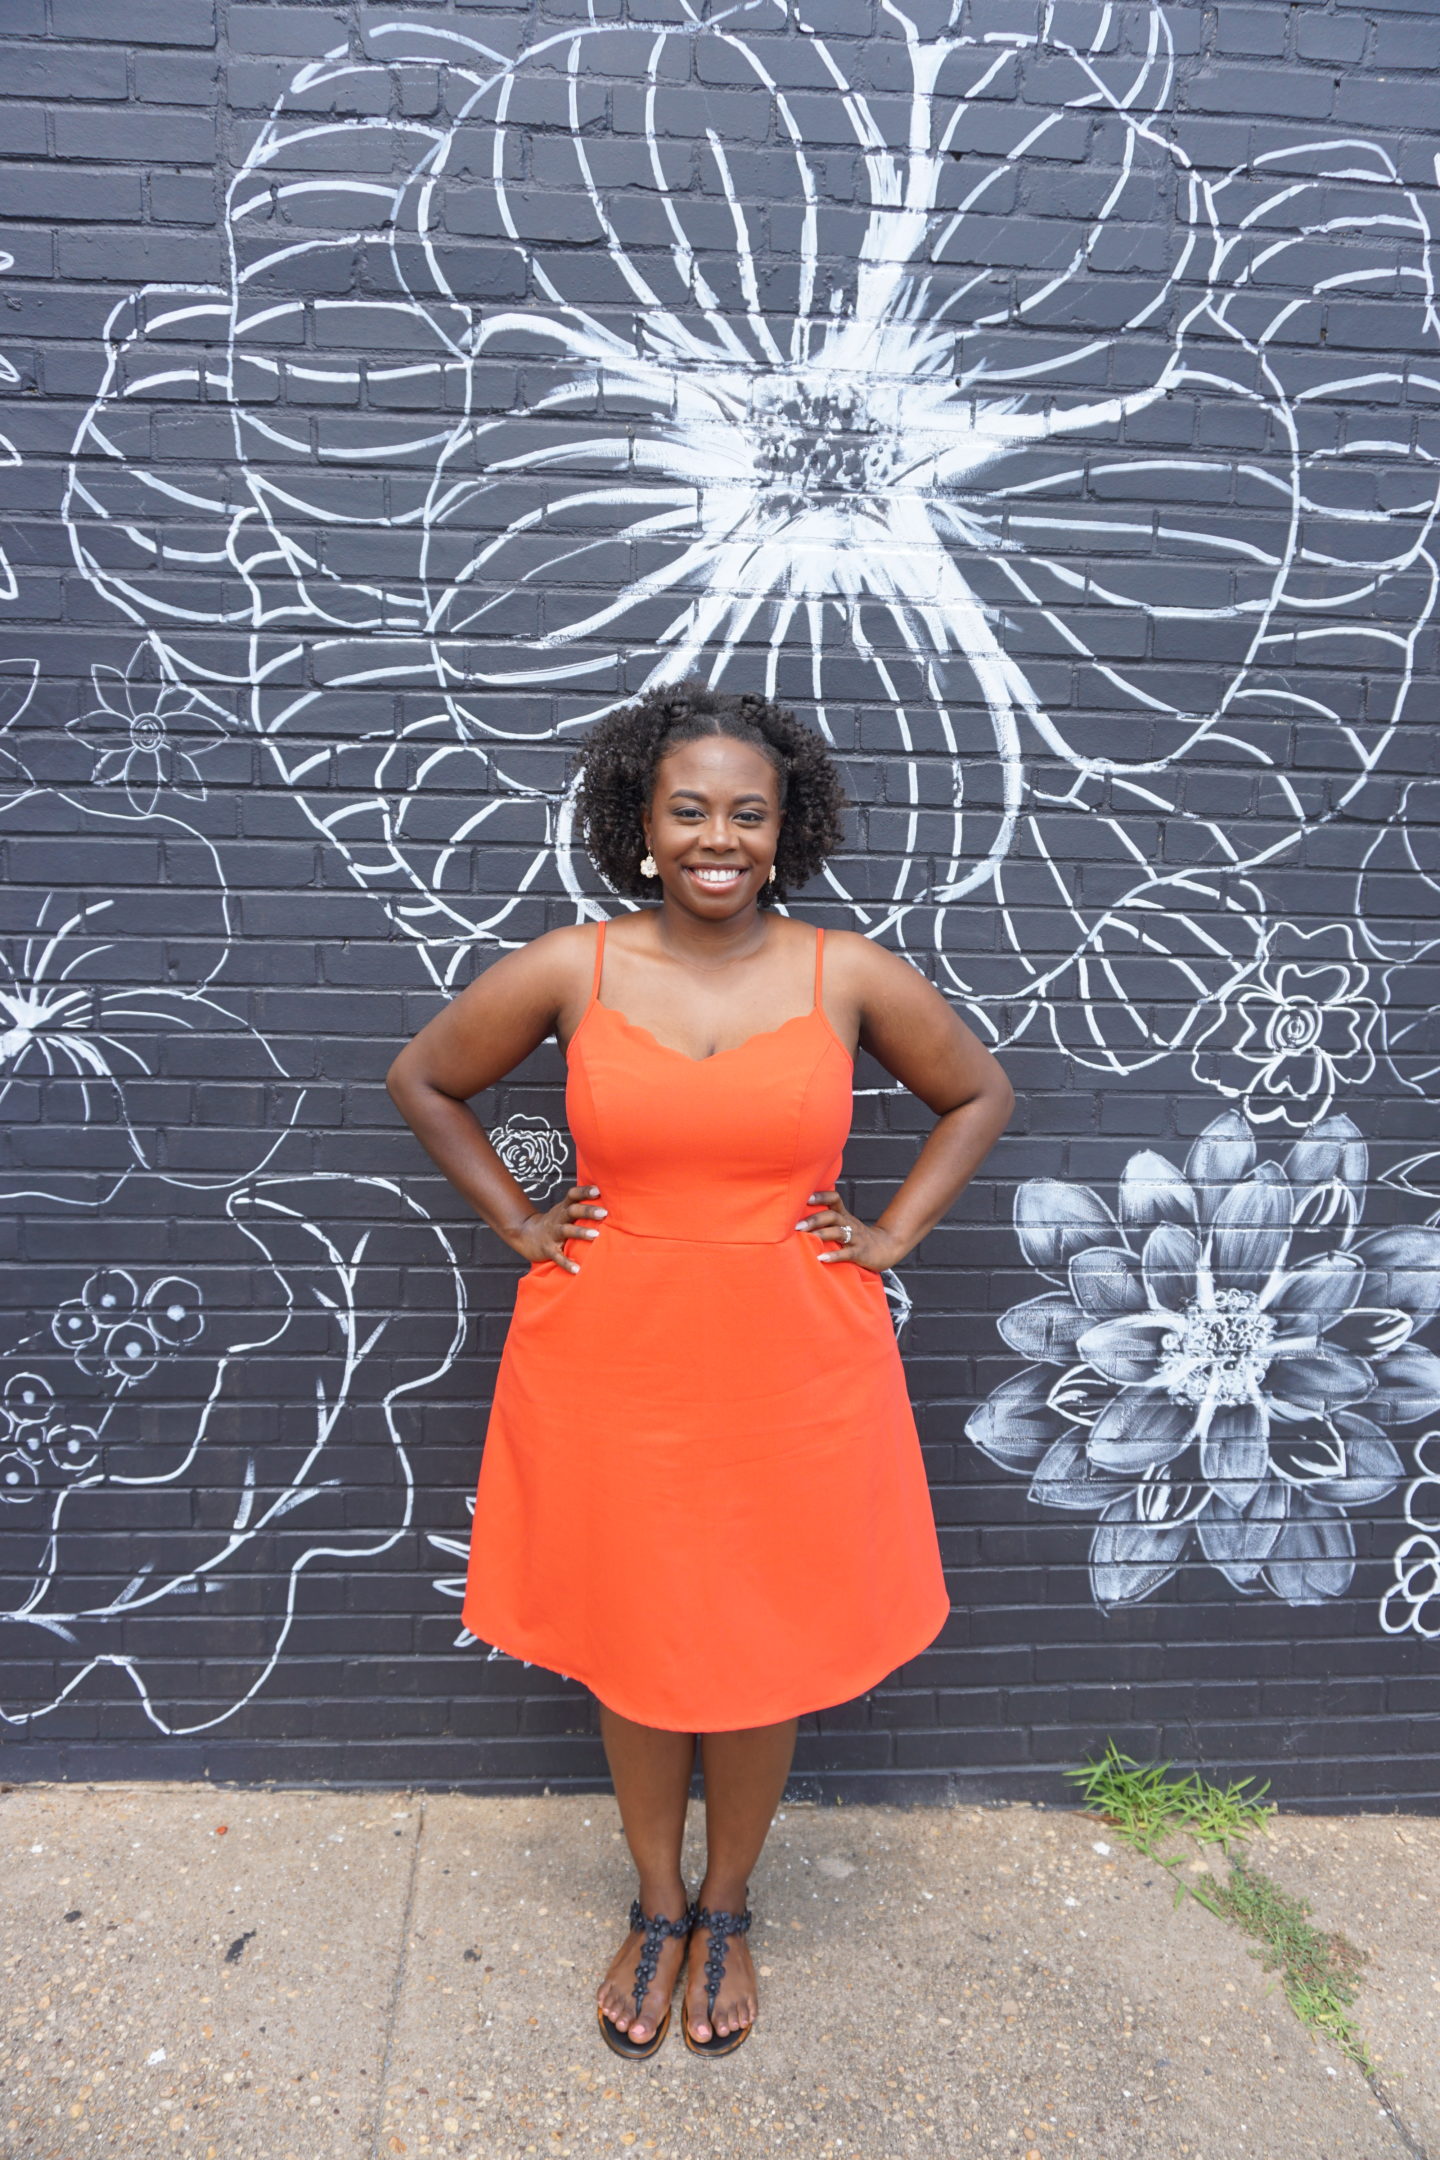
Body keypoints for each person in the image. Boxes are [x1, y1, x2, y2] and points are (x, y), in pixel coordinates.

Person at [386, 681, 1014, 2061]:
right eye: (688, 811)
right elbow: (426, 1077)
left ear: (784, 831)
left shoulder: (845, 974)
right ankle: (657, 1908)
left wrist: (892, 1231)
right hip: (613, 1357)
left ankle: (730, 1910)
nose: (717, 836)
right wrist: (520, 1224)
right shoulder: (576, 968)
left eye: (747, 811)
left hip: (795, 1366)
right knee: (635, 1643)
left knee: (760, 1647)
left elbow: (978, 1092)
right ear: (641, 825)